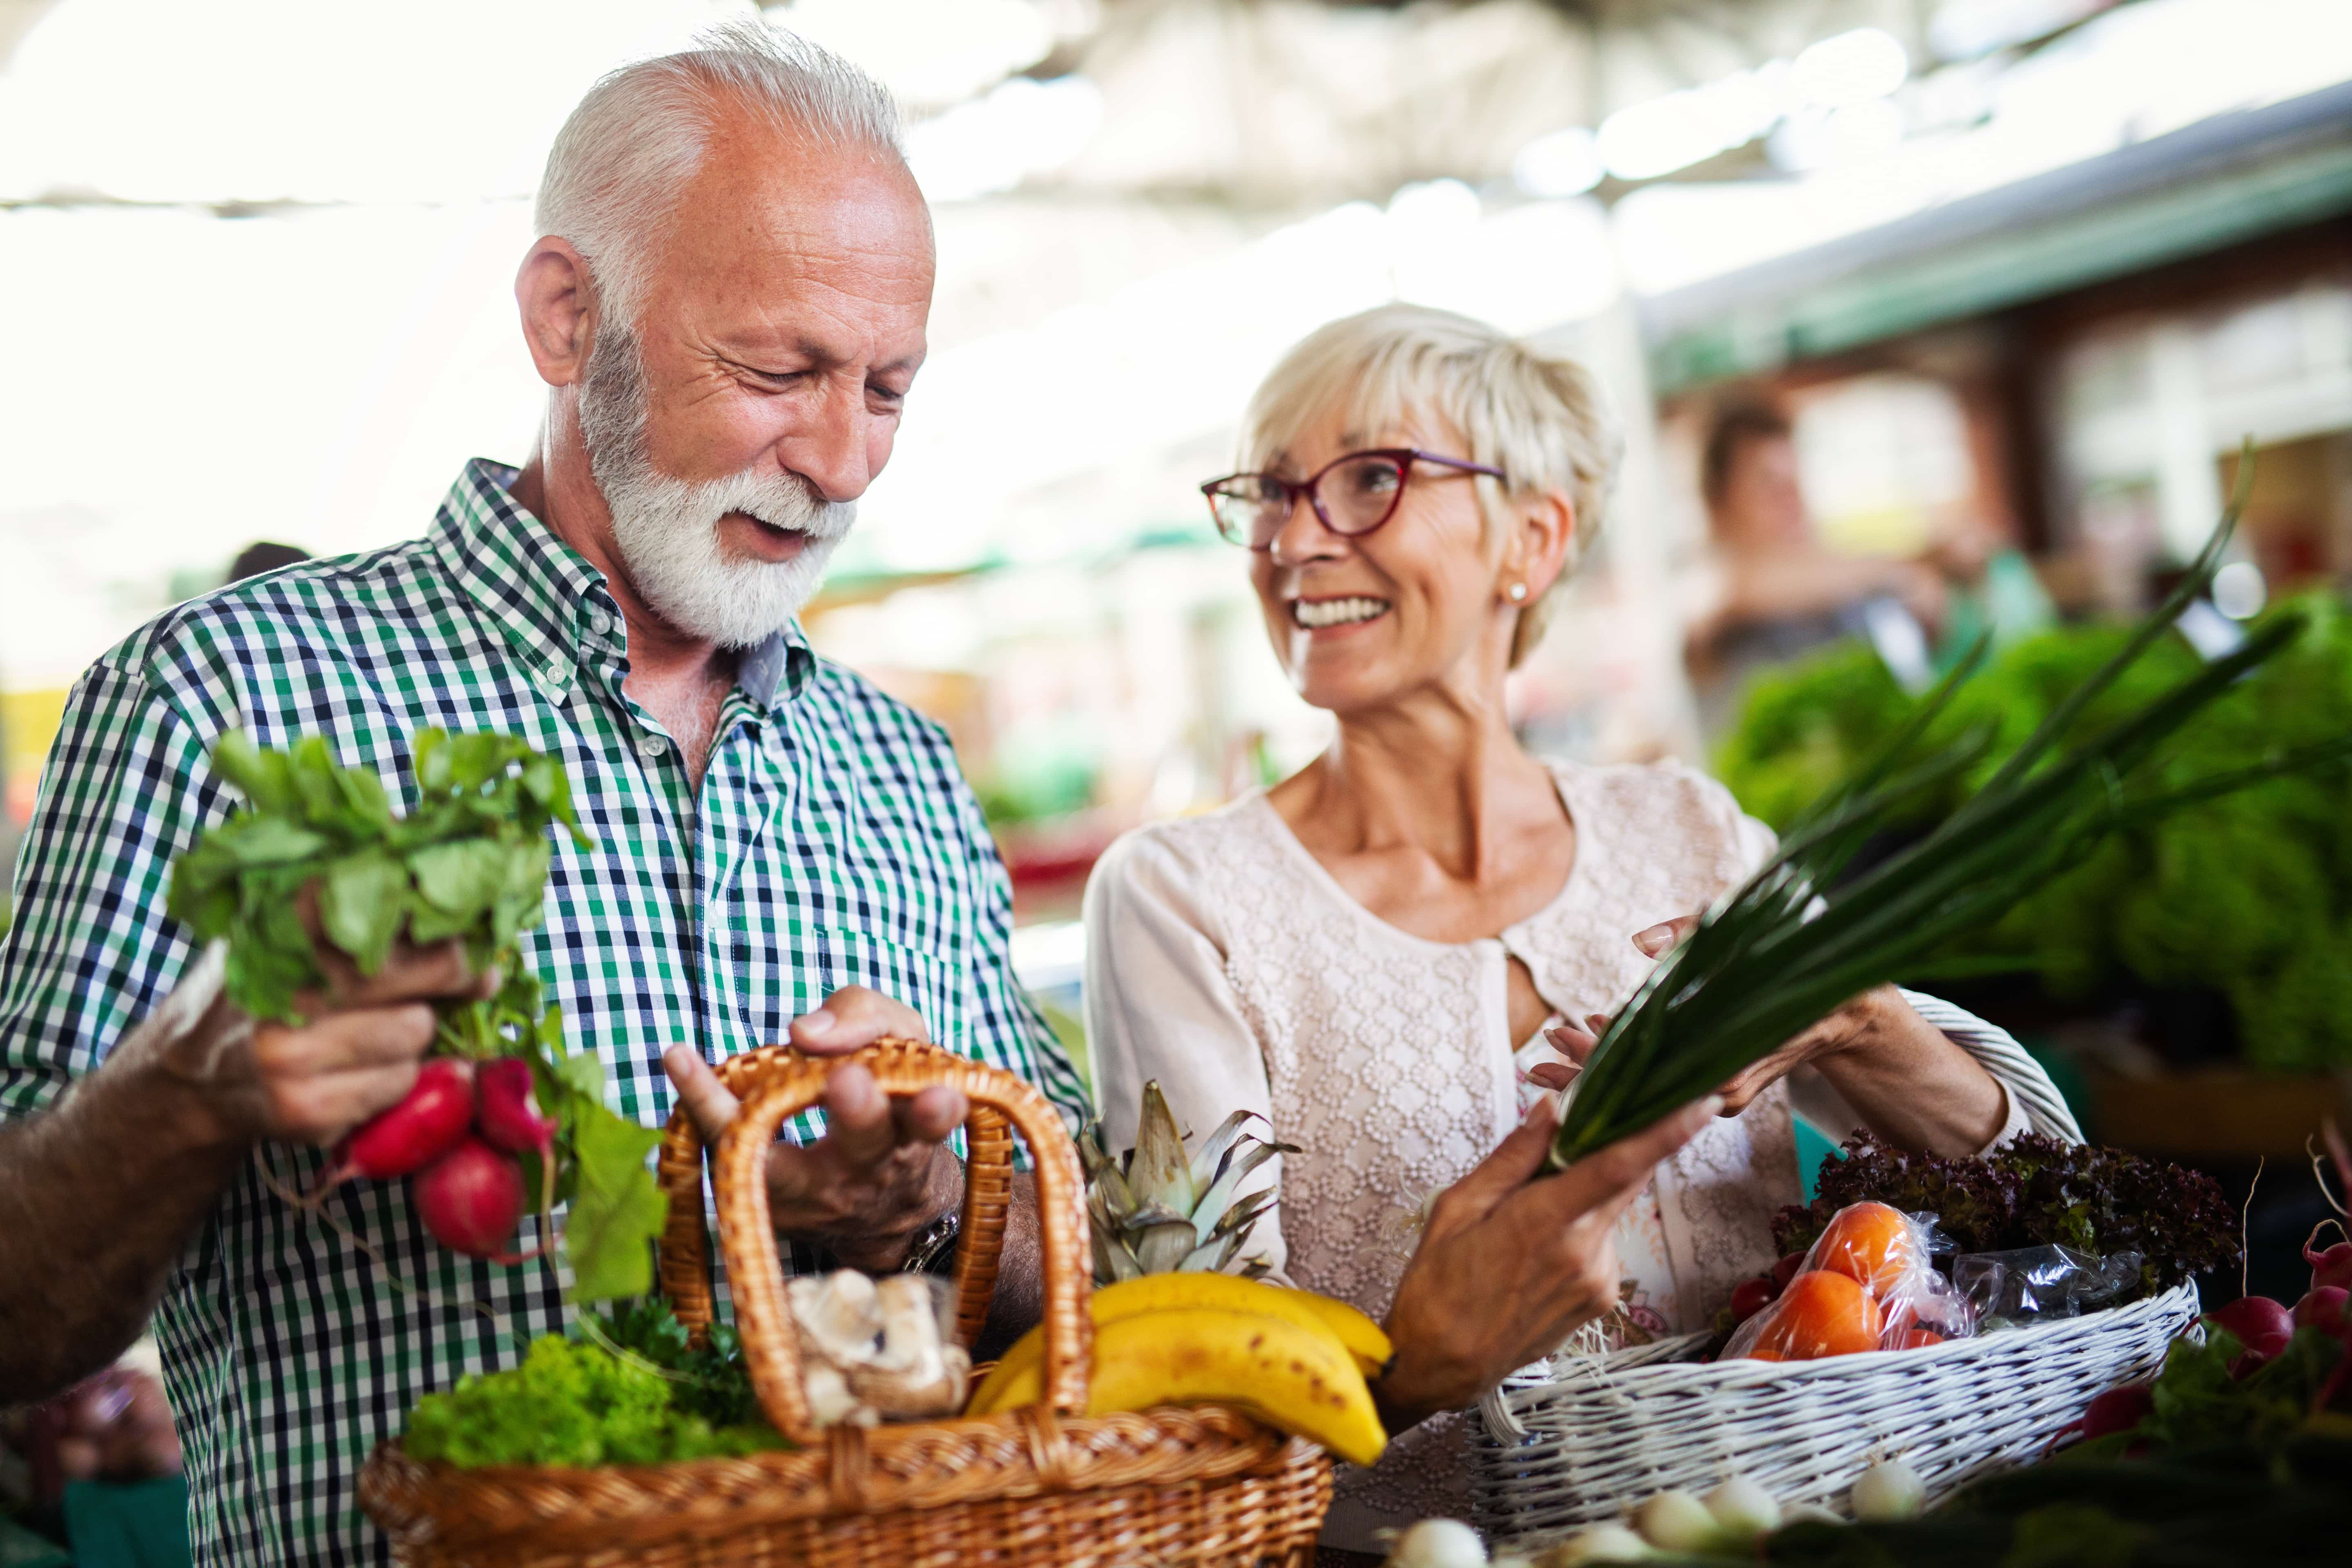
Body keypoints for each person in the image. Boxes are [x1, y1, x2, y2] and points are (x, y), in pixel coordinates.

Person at [0, 23, 1085, 1564]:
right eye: (778, 371)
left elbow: (1085, 1253)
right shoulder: (219, 704)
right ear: (568, 317)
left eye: (888, 389)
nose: (843, 462)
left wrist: (918, 1198)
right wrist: (183, 1090)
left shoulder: (898, 767)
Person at [1081, 305, 2079, 1556]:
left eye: (1369, 480)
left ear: (1533, 537)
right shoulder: (1184, 897)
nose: (1291, 540)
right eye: (1268, 493)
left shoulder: (1691, 834)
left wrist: (1865, 1023)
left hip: (1801, 1527)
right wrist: (1412, 1369)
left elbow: (2057, 1196)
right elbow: (1191, 1389)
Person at [1684, 397, 1949, 733]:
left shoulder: (1837, 589)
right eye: (1768, 483)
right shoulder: (1709, 593)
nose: (1792, 498)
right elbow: (1747, 588)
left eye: (1796, 479)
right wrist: (1905, 572)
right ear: (1717, 505)